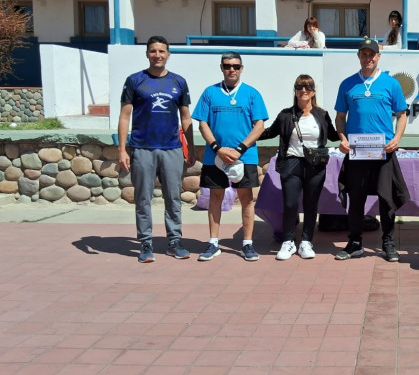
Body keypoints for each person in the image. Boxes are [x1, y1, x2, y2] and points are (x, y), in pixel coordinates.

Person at [118, 35, 195, 263]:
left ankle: (174, 241)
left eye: (162, 51)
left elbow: (186, 117)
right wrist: (122, 149)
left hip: (171, 148)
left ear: (168, 54)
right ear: (147, 54)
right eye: (153, 51)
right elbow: (124, 116)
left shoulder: (178, 82)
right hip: (142, 148)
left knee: (173, 197)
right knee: (143, 198)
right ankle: (146, 243)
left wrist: (190, 147)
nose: (157, 55)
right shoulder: (135, 81)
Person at [334, 37, 410, 262]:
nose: (368, 58)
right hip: (356, 152)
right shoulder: (347, 84)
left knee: (386, 199)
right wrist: (342, 138)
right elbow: (340, 117)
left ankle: (388, 242)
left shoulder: (391, 84)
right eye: (364, 54)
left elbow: (402, 114)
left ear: (379, 56)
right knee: (356, 198)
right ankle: (355, 242)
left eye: (372, 54)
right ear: (359, 56)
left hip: (384, 151)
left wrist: (397, 138)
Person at [192, 51, 269, 261]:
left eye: (235, 66)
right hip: (214, 157)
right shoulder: (210, 93)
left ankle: (247, 244)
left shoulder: (252, 94)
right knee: (215, 198)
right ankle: (213, 243)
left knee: (246, 199)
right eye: (227, 66)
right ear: (221, 68)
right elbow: (203, 123)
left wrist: (240, 150)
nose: (231, 69)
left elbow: (260, 125)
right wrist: (218, 148)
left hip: (245, 157)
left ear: (241, 68)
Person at [260, 74, 340, 260]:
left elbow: (335, 136)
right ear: (295, 91)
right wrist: (247, 132)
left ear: (313, 92)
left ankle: (306, 241)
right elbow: (269, 133)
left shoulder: (322, 114)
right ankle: (288, 242)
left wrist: (352, 128)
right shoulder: (286, 115)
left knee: (311, 204)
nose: (304, 90)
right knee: (290, 204)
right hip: (291, 163)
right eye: (300, 87)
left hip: (315, 165)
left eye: (308, 87)